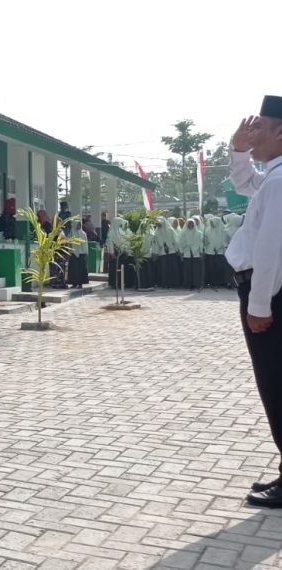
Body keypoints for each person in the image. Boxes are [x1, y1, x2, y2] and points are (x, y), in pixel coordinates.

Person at [226, 100, 282, 508]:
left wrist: (259, 305)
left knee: (276, 386)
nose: (252, 132)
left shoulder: (280, 182)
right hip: (269, 293)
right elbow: (246, 184)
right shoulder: (274, 177)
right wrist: (238, 152)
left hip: (271, 295)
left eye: (259, 128)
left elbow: (270, 250)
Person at [203, 215, 228, 288]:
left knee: (219, 268)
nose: (211, 224)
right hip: (210, 252)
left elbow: (223, 241)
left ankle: (220, 282)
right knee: (211, 268)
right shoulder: (207, 230)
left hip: (219, 252)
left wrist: (218, 248)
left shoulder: (223, 231)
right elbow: (207, 241)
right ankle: (211, 282)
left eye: (212, 223)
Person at [180, 218, 204, 290]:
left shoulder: (199, 233)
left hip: (196, 253)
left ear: (194, 224)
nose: (190, 225)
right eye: (189, 224)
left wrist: (201, 252)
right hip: (187, 253)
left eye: (192, 224)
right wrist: (181, 253)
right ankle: (188, 284)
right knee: (187, 270)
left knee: (196, 270)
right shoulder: (183, 233)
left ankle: (196, 284)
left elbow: (200, 243)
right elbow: (181, 244)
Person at [67, 220, 89, 289]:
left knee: (80, 270)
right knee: (73, 270)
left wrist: (86, 252)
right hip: (73, 253)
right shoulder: (71, 233)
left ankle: (80, 284)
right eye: (77, 224)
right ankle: (74, 283)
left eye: (80, 225)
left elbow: (85, 244)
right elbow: (68, 242)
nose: (79, 226)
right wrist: (69, 251)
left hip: (81, 254)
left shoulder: (83, 233)